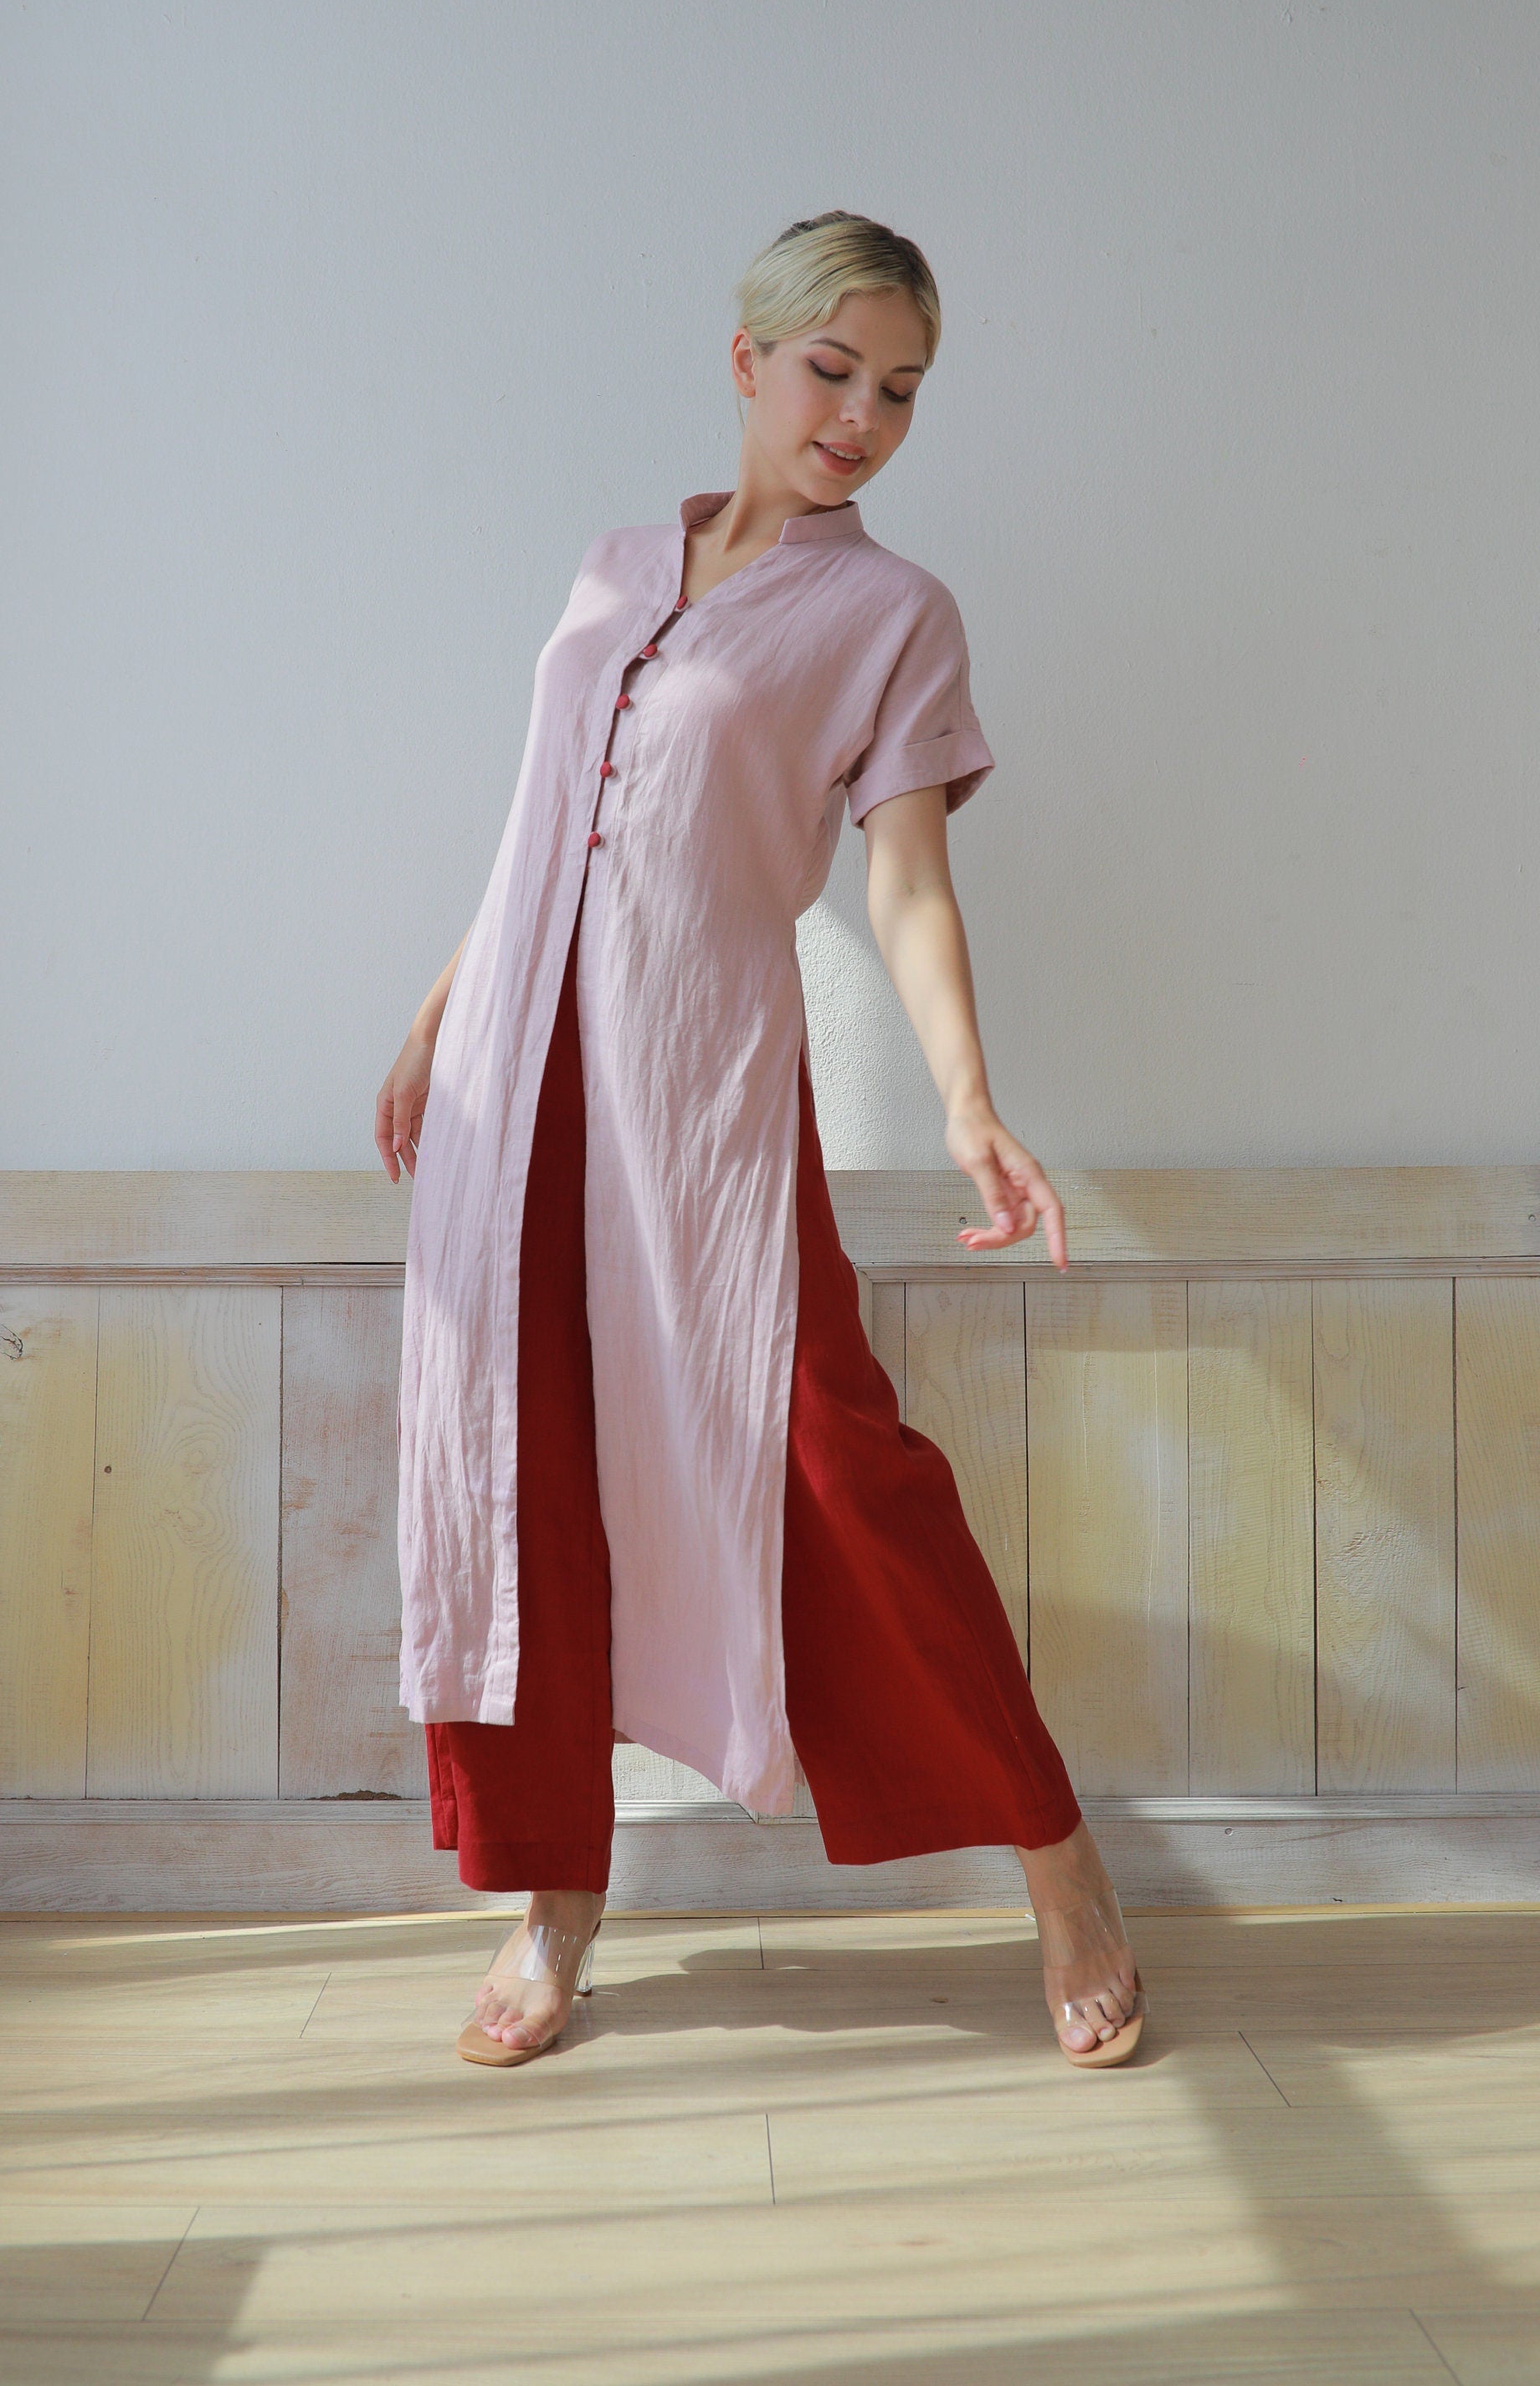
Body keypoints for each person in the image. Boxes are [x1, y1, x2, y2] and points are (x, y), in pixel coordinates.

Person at [377, 211, 1146, 2071]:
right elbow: (540, 822)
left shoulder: (890, 615)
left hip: (698, 1099)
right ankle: (555, 1902)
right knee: (520, 1473)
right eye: (832, 371)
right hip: (513, 1090)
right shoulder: (613, 566)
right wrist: (433, 1016)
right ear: (745, 359)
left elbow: (903, 886)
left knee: (834, 1465)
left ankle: (1061, 1868)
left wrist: (964, 1095)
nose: (862, 417)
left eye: (900, 393)